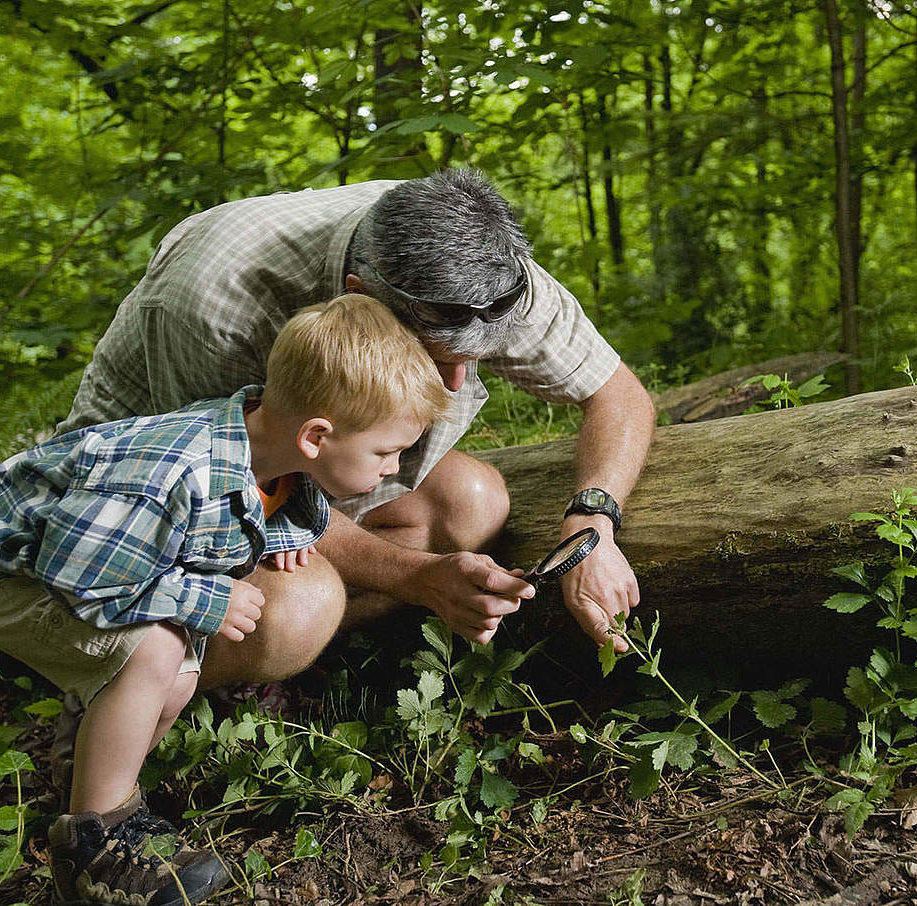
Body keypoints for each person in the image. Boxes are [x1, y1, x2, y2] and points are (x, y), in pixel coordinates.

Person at [57, 168, 657, 697]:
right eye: (433, 356)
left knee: (471, 502)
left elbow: (618, 395)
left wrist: (592, 524)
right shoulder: (221, 302)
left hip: (298, 473)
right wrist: (419, 577)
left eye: (476, 360)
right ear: (360, 296)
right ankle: (120, 691)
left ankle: (288, 663)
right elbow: (224, 495)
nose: (454, 381)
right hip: (140, 516)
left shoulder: (482, 266)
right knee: (293, 611)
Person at [0, 295, 454, 906]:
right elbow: (80, 574)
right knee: (156, 646)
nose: (392, 468)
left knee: (178, 674)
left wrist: (277, 537)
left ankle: (91, 789)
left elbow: (243, 517)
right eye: (385, 451)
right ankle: (94, 852)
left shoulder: (276, 463)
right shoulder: (174, 468)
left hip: (80, 569)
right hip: (7, 577)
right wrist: (206, 600)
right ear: (316, 436)